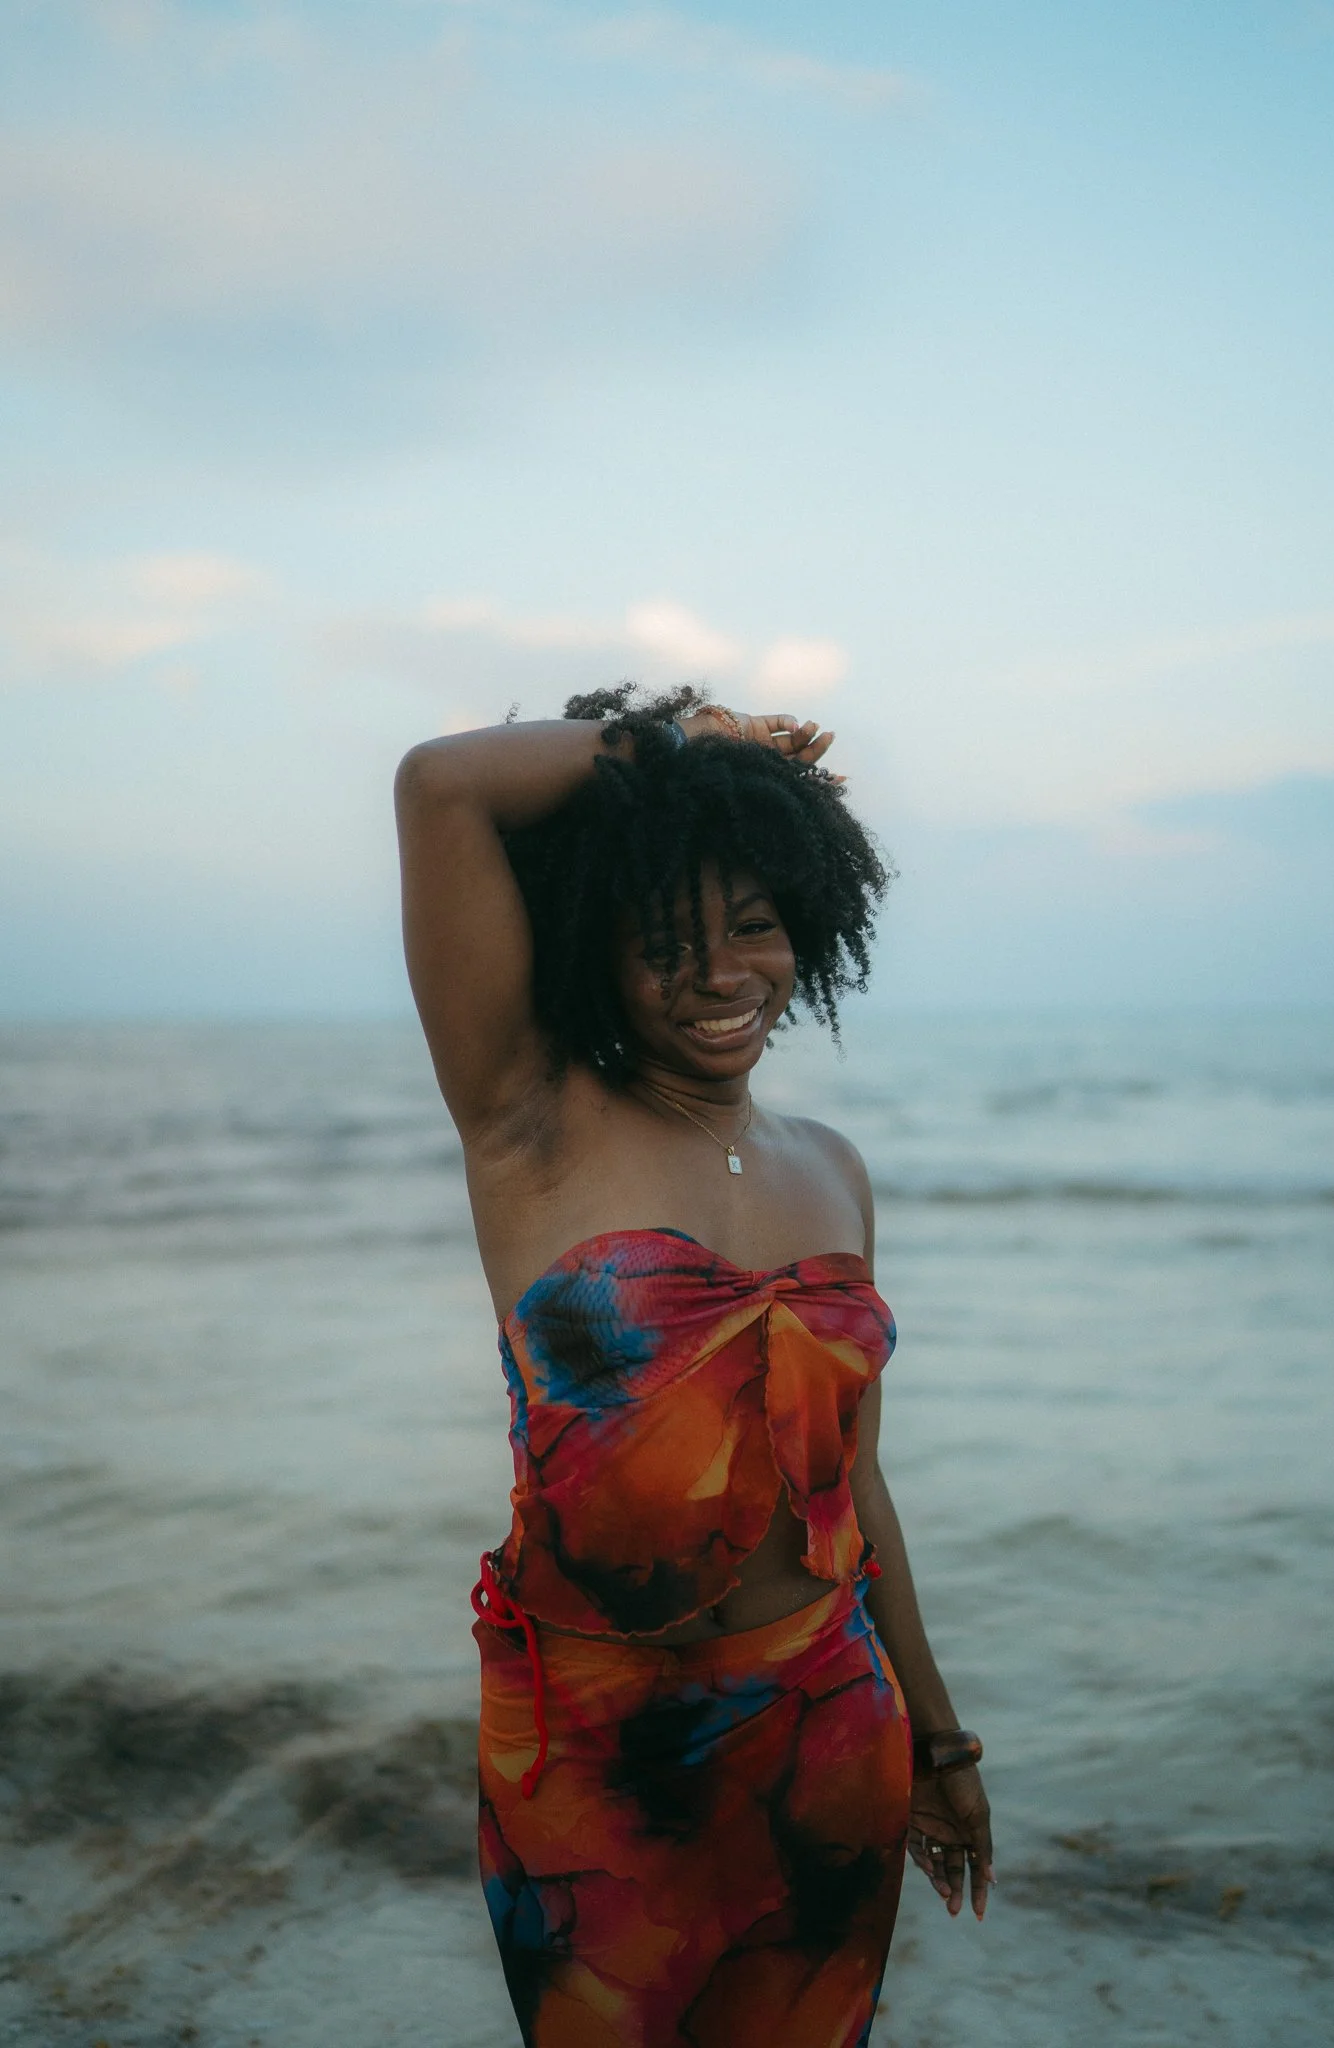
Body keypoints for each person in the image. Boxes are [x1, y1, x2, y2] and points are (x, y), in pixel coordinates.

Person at [395, 688, 993, 2048]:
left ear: (811, 930)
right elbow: (442, 786)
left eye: (756, 924)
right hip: (593, 1758)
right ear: (589, 951)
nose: (721, 973)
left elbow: (861, 1489)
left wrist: (940, 1744)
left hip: (830, 1721)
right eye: (664, 940)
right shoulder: (528, 1120)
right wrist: (684, 761)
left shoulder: (831, 1168)